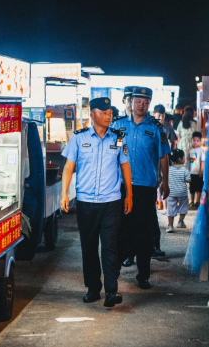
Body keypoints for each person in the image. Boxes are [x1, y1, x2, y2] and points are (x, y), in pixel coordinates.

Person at [61, 97, 133, 307]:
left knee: (110, 246)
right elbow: (68, 167)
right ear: (92, 115)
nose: (109, 116)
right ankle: (93, 288)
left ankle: (111, 291)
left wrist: (129, 194)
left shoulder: (118, 137)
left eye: (110, 112)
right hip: (86, 203)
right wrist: (64, 193)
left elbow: (125, 165)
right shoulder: (78, 138)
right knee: (89, 247)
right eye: (104, 112)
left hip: (111, 201)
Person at [112, 87, 171, 289]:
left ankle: (143, 275)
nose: (141, 105)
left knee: (144, 232)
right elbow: (113, 153)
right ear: (132, 101)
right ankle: (115, 270)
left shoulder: (156, 128)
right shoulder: (119, 126)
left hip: (145, 187)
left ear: (149, 104)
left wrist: (165, 181)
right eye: (138, 101)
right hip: (121, 186)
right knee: (120, 229)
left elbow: (163, 155)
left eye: (146, 102)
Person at [153, 104, 177, 212]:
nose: (160, 118)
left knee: (163, 178)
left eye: (162, 116)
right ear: (153, 115)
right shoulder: (150, 125)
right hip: (153, 158)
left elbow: (174, 140)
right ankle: (158, 200)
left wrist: (171, 153)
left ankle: (161, 200)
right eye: (158, 116)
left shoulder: (167, 126)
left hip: (164, 156)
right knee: (155, 177)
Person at [166, 148, 190, 233]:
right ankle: (180, 222)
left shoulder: (168, 169)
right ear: (180, 159)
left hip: (171, 192)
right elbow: (188, 180)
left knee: (170, 208)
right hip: (182, 193)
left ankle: (170, 226)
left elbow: (165, 178)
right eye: (183, 157)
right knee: (184, 206)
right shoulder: (184, 170)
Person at [188, 131, 205, 208]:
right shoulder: (190, 150)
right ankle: (191, 201)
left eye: (197, 141)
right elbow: (188, 162)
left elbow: (202, 161)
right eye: (194, 140)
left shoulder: (201, 150)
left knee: (199, 188)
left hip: (198, 172)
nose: (195, 142)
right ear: (192, 140)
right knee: (192, 188)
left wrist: (201, 171)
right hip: (191, 172)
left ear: (200, 141)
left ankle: (197, 201)